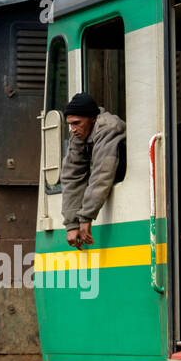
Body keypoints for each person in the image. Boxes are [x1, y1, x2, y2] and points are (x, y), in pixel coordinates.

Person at [61, 92, 126, 250]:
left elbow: (102, 173)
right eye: (70, 124)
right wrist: (71, 224)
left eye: (77, 123)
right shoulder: (80, 134)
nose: (73, 129)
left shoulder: (108, 127)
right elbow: (72, 176)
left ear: (93, 118)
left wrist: (85, 217)